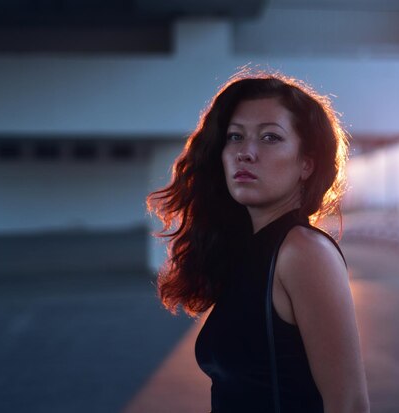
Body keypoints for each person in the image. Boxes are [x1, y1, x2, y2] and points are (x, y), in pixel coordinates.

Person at [147, 69, 369, 413]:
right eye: (235, 137)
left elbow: (349, 404)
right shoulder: (247, 251)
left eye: (270, 138)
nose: (245, 153)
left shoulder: (302, 252)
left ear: (306, 164)